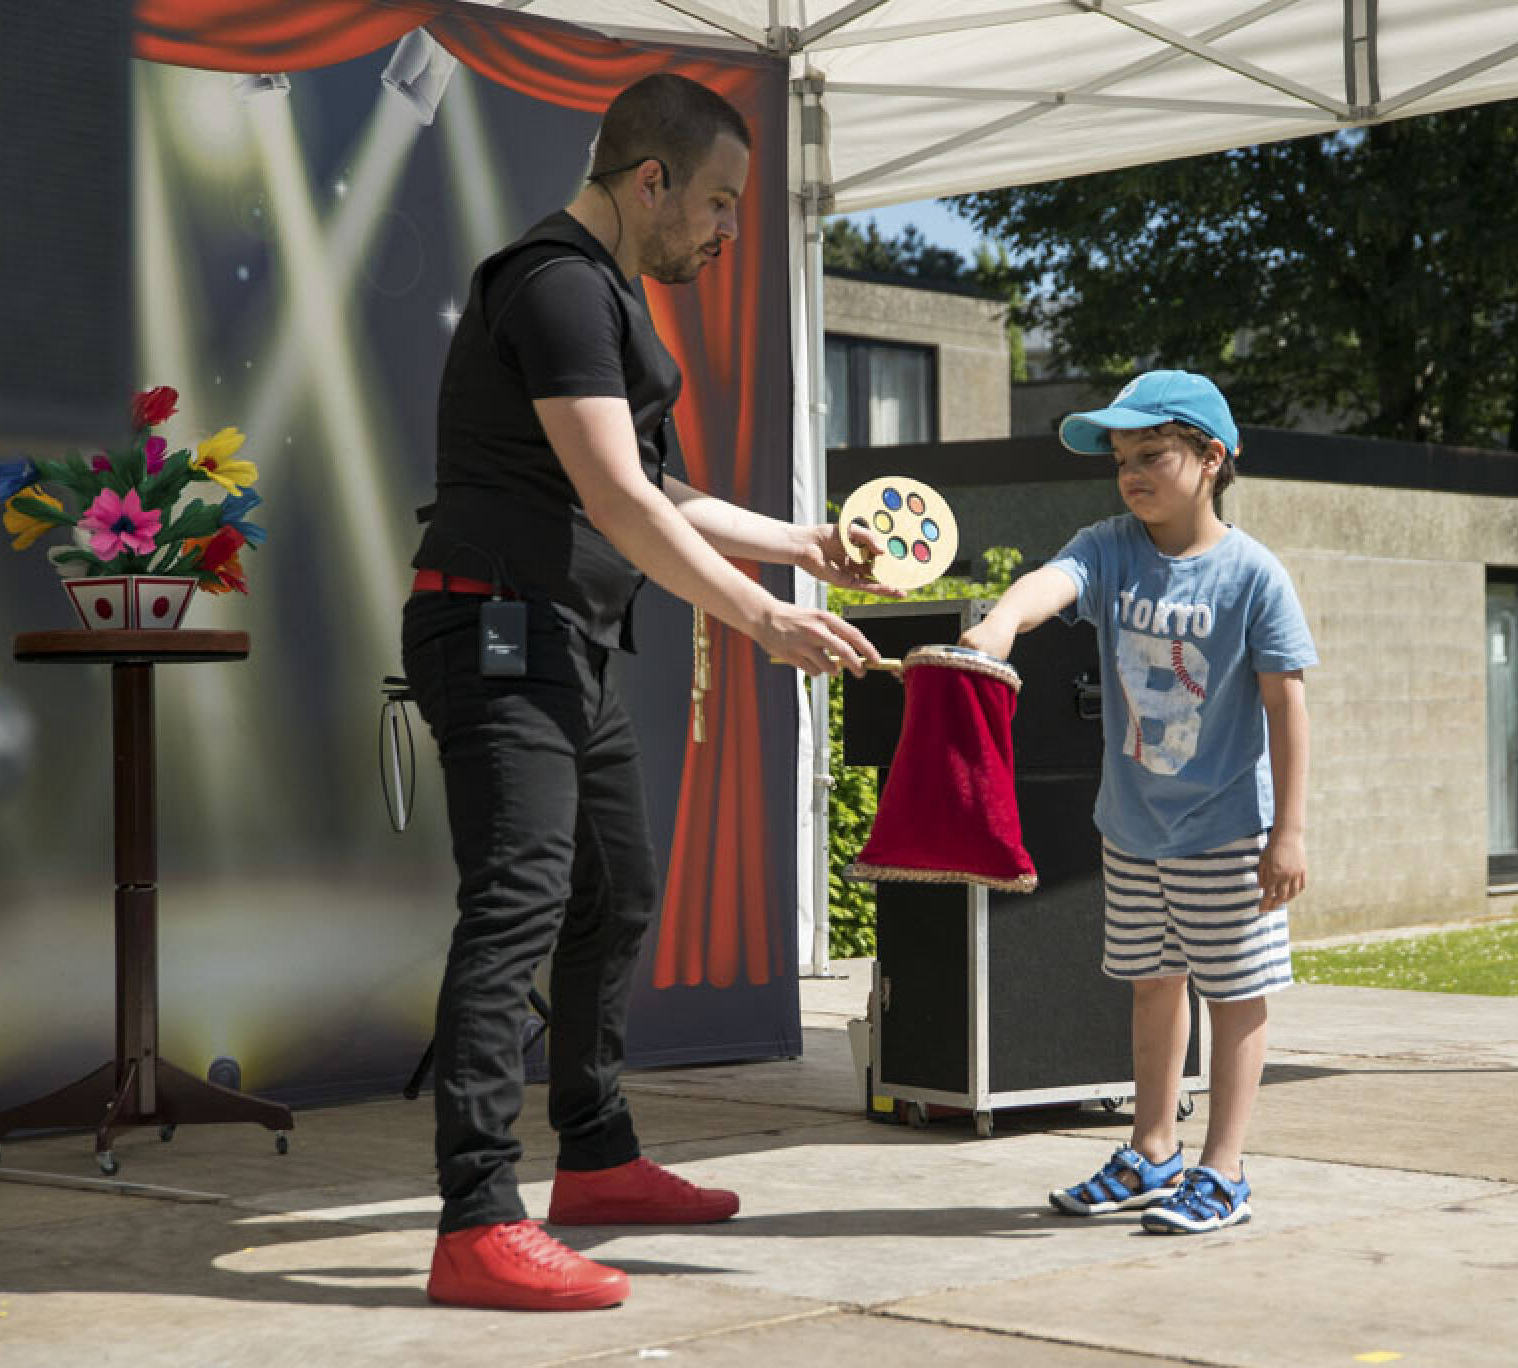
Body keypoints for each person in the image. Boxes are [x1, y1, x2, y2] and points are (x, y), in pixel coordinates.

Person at [403, 72, 885, 1312]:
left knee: (615, 889)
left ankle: (597, 1158)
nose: (728, 231)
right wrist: (763, 619)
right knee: (516, 903)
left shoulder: (604, 294)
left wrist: (800, 544)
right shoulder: (557, 284)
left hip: (562, 637)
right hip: (498, 629)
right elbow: (616, 499)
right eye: (718, 202)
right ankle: (475, 1219)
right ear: (650, 179)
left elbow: (649, 486)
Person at [958, 370, 1314, 1236]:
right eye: (1121, 459)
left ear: (1211, 457)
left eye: (1151, 455)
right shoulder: (1111, 546)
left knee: (1234, 995)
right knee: (1153, 987)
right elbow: (1050, 581)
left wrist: (1290, 833)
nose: (1131, 475)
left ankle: (1223, 1171)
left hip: (1227, 831)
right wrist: (999, 626)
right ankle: (1153, 1151)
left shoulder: (1253, 575)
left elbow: (1287, 706)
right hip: (1132, 830)